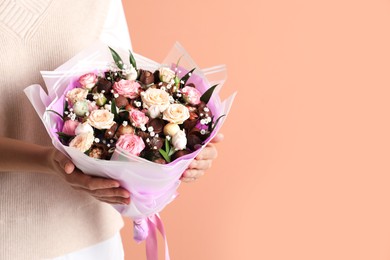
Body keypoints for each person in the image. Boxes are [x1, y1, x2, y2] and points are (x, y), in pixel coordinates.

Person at [0, 0, 223, 259]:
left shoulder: (100, 4)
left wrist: (183, 153)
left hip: (92, 236)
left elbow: (128, 88)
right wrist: (48, 160)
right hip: (9, 239)